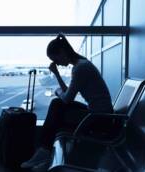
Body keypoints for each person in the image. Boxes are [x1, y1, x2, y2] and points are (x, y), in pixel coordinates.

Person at [21, 34, 113, 171]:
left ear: (62, 53)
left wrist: (58, 92)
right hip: (100, 114)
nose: (56, 63)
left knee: (57, 105)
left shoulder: (80, 68)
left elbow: (67, 98)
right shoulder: (82, 64)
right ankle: (45, 154)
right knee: (57, 105)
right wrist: (57, 75)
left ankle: (44, 153)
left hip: (99, 119)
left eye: (55, 59)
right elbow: (68, 95)